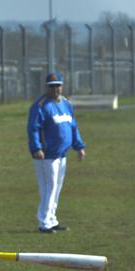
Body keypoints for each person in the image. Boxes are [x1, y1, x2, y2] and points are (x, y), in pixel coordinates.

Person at [26, 72, 87, 233]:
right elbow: (33, 129)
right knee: (48, 187)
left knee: (56, 188)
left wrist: (79, 146)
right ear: (46, 87)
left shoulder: (66, 104)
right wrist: (36, 148)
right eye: (52, 86)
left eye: (58, 85)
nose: (55, 89)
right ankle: (44, 222)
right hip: (46, 156)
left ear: (62, 86)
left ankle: (52, 219)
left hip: (61, 155)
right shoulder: (40, 106)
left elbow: (72, 126)